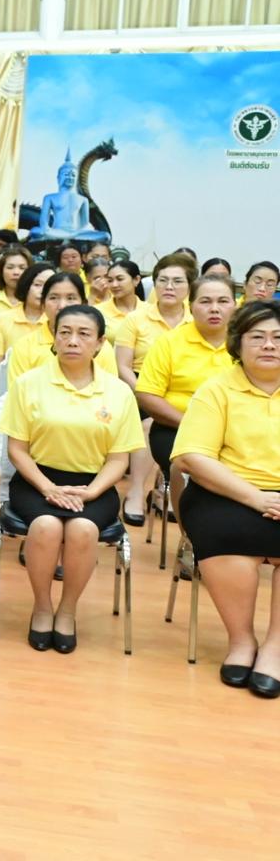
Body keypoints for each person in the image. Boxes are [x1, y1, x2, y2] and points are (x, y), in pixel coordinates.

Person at [0, 304, 144, 653]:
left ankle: (67, 610)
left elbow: (119, 459)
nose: (73, 341)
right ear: (54, 337)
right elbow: (17, 450)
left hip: (94, 484)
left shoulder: (118, 392)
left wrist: (91, 491)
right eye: (64, 332)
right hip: (36, 479)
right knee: (45, 526)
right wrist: (47, 487)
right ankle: (42, 606)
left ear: (100, 343)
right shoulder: (29, 383)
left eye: (83, 334)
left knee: (83, 530)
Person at [170, 300, 280, 694]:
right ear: (238, 344)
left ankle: (276, 648)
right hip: (226, 492)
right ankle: (241, 640)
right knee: (225, 536)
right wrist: (256, 498)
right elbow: (190, 457)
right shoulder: (216, 389)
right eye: (257, 337)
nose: (269, 345)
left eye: (278, 337)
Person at [135, 274, 237, 485]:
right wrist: (190, 423)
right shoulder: (169, 342)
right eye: (205, 301)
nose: (214, 309)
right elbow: (147, 394)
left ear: (235, 306)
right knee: (198, 468)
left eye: (223, 301)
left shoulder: (247, 344)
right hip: (177, 427)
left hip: (235, 430)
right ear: (191, 307)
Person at [114, 253, 193, 524]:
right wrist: (146, 392)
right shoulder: (136, 319)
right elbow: (122, 366)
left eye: (177, 281)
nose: (169, 287)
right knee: (149, 422)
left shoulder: (196, 321)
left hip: (181, 389)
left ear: (189, 286)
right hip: (138, 386)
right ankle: (137, 490)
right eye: (163, 280)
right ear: (153, 283)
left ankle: (167, 491)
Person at [6, 272, 119, 382]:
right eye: (54, 298)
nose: (62, 306)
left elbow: (111, 389)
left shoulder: (98, 346)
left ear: (84, 304)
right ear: (43, 304)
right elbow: (19, 391)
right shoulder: (24, 346)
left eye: (71, 298)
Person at [0, 263, 56, 367]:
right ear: (26, 286)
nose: (43, 291)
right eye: (38, 285)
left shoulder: (58, 322)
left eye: (49, 286)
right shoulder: (2, 320)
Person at [34, 150, 108, 243]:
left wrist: (76, 232)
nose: (70, 177)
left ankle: (70, 237)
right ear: (58, 178)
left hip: (76, 232)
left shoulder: (83, 199)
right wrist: (50, 231)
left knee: (105, 236)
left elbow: (84, 223)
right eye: (66, 174)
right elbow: (44, 224)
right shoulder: (49, 198)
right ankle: (70, 237)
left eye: (73, 175)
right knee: (36, 231)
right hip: (56, 231)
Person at [99, 260, 142, 338]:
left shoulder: (150, 310)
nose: (114, 285)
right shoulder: (98, 312)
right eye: (110, 280)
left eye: (120, 279)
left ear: (136, 280)